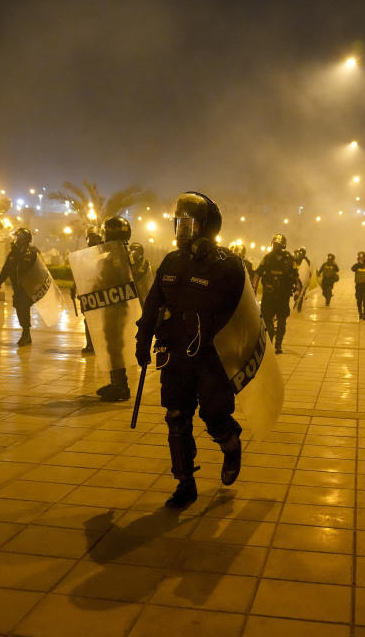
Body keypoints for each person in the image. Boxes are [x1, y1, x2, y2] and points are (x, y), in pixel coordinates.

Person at [135, 192, 244, 508]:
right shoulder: (171, 262)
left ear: (207, 228)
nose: (182, 230)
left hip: (211, 358)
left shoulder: (228, 266)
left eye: (189, 224)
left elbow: (242, 315)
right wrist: (143, 343)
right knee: (176, 417)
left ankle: (231, 442)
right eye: (178, 223)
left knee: (214, 415)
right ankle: (185, 482)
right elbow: (153, 305)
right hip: (175, 354)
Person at [95, 215, 135, 402]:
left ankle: (120, 387)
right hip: (112, 304)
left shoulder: (118, 255)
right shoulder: (120, 252)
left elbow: (118, 279)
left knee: (114, 345)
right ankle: (116, 383)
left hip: (116, 305)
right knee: (111, 345)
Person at [255, 233, 300, 354]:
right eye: (274, 244)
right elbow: (258, 273)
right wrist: (253, 288)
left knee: (281, 321)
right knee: (267, 321)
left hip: (283, 296)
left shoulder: (290, 260)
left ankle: (278, 345)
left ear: (283, 246)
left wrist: (297, 291)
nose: (275, 247)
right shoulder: (267, 258)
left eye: (278, 245)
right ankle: (269, 342)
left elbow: (296, 277)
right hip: (269, 295)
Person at [0, 227, 39, 347]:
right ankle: (26, 333)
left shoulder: (32, 252)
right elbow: (6, 269)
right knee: (20, 310)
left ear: (24, 239)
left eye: (18, 236)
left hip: (27, 287)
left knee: (23, 309)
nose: (16, 239)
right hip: (17, 287)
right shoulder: (13, 253)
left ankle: (26, 334)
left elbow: (40, 270)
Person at [352, 251, 365, 319]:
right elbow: (352, 269)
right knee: (359, 300)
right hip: (358, 286)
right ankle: (360, 313)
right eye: (360, 258)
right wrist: (358, 264)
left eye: (363, 257)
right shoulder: (356, 266)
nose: (361, 259)